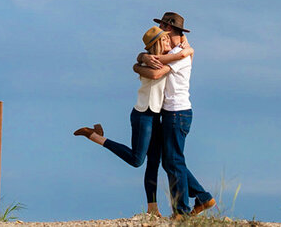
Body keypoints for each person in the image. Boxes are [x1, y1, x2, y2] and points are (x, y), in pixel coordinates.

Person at [73, 25, 193, 217]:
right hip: (142, 115)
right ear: (155, 44)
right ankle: (95, 136)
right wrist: (143, 61)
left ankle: (152, 209)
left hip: (156, 116)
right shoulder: (151, 64)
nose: (167, 42)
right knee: (137, 160)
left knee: (154, 161)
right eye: (163, 40)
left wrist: (186, 50)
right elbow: (157, 73)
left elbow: (180, 57)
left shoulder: (156, 59)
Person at [137, 12, 216, 217]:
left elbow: (155, 71)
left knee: (174, 162)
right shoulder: (178, 49)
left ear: (168, 27)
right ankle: (203, 198)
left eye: (162, 26)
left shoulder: (181, 52)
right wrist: (142, 58)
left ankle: (181, 210)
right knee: (171, 161)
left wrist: (141, 61)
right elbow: (154, 59)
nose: (160, 31)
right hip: (172, 113)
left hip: (177, 112)